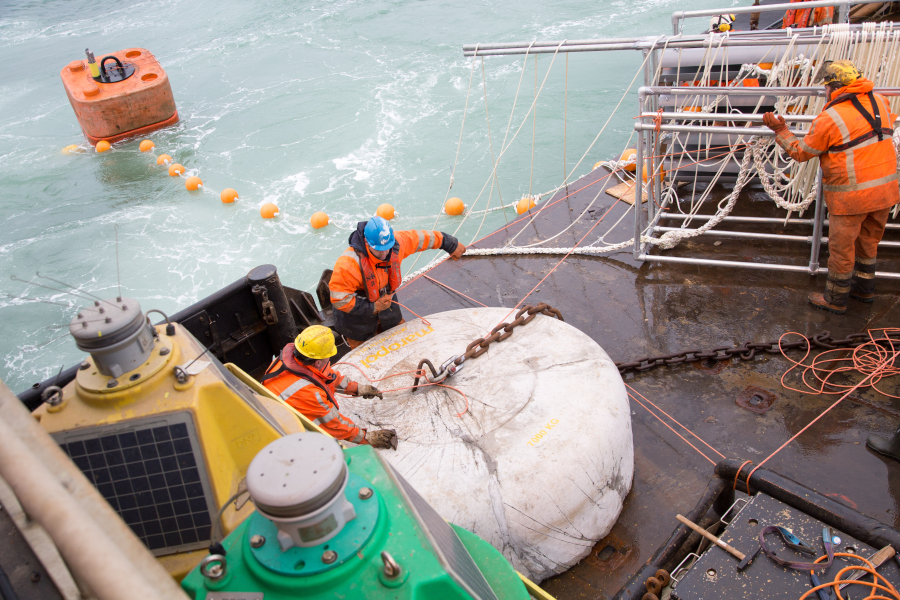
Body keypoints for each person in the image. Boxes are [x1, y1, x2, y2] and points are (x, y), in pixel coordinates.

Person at [763, 59, 899, 314]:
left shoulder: (830, 118)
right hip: (885, 192)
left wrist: (780, 129)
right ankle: (864, 290)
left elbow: (801, 152)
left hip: (852, 198)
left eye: (825, 87)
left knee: (842, 249)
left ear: (833, 88)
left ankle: (835, 299)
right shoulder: (881, 102)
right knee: (869, 243)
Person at [329, 216, 466, 348]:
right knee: (365, 357)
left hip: (388, 307)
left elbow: (423, 238)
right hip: (357, 320)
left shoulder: (397, 243)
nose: (384, 254)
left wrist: (451, 244)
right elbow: (339, 300)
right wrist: (374, 307)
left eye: (386, 248)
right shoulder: (348, 264)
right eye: (378, 251)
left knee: (404, 342)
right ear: (366, 243)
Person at [261, 325, 398, 449]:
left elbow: (325, 376)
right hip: (283, 431)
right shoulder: (307, 392)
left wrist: (356, 388)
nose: (330, 359)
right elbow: (333, 425)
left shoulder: (296, 358)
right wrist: (367, 437)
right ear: (318, 362)